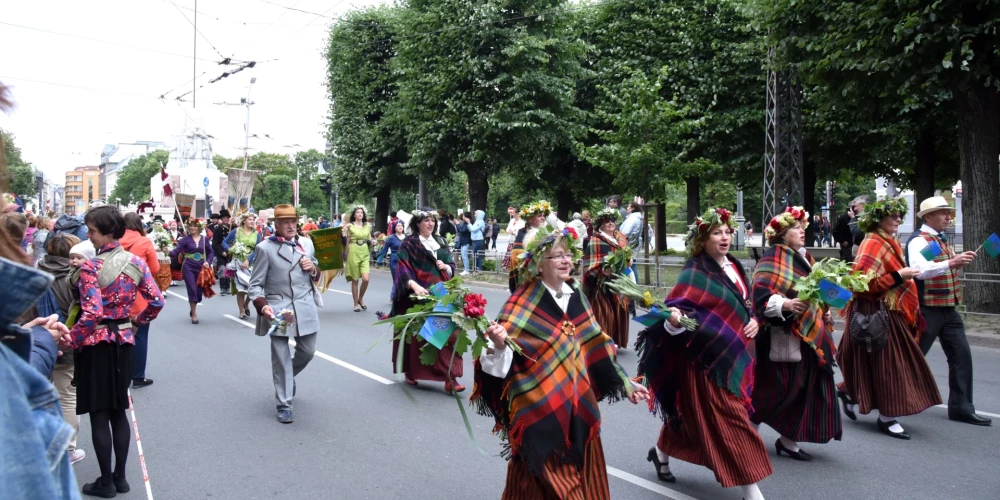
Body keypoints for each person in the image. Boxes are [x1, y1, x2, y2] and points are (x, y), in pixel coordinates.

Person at [472, 224, 649, 499]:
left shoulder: (575, 294)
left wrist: (625, 383)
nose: (566, 260)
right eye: (557, 255)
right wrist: (497, 343)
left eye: (568, 254)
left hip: (578, 408)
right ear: (539, 264)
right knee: (559, 489)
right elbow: (499, 363)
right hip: (540, 413)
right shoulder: (522, 303)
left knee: (537, 489)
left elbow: (596, 343)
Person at [636, 208, 771, 500]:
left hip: (733, 354)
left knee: (692, 417)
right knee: (732, 421)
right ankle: (752, 491)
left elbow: (745, 303)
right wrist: (673, 321)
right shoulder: (694, 270)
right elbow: (676, 312)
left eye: (727, 232)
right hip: (704, 360)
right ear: (702, 239)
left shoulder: (734, 264)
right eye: (716, 233)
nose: (724, 237)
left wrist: (754, 319)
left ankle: (659, 452)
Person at [66, 205, 163, 497]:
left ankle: (105, 482)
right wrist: (135, 322)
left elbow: (91, 313)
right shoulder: (136, 262)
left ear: (107, 231)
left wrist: (70, 340)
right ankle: (120, 478)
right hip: (123, 343)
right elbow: (156, 301)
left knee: (99, 413)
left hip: (96, 347)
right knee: (119, 411)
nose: (88, 235)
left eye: (92, 230)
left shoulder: (90, 267)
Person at [836, 198, 942, 440]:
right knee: (890, 366)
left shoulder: (891, 240)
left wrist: (951, 262)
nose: (897, 220)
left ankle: (848, 390)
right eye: (892, 216)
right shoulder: (873, 242)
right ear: (878, 219)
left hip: (890, 310)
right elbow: (861, 285)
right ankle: (887, 417)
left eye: (899, 216)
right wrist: (898, 275)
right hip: (875, 312)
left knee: (885, 364)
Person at [751, 207, 841, 462]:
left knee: (806, 389)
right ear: (781, 234)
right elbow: (760, 296)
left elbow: (820, 291)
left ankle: (788, 440)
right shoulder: (771, 259)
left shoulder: (805, 256)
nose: (802, 231)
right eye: (796, 228)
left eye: (803, 227)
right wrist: (786, 305)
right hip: (783, 335)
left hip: (810, 337)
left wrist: (825, 311)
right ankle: (748, 433)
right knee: (775, 390)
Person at [905, 196, 990, 426]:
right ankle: (880, 397)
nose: (948, 217)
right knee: (911, 358)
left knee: (961, 356)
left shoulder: (938, 240)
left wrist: (955, 261)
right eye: (943, 212)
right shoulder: (920, 241)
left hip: (948, 309)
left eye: (948, 212)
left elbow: (936, 267)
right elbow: (920, 271)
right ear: (928, 217)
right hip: (926, 309)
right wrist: (951, 263)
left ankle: (961, 408)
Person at [248, 204, 321, 424]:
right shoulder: (264, 248)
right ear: (276, 225)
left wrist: (313, 269)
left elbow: (317, 273)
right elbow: (255, 285)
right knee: (281, 358)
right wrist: (263, 306)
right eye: (285, 222)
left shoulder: (306, 244)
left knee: (308, 352)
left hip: (305, 306)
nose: (290, 225)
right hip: (279, 310)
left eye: (293, 221)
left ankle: (288, 377)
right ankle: (284, 404)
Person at [389, 210, 462, 392]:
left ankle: (450, 378)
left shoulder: (440, 242)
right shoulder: (409, 243)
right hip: (417, 293)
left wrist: (446, 266)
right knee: (417, 336)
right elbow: (403, 268)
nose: (430, 224)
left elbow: (451, 266)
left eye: (432, 221)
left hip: (440, 291)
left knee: (447, 333)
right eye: (426, 220)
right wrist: (414, 286)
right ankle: (411, 371)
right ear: (417, 223)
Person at [38, 233, 88, 465]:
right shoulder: (77, 278)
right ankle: (67, 450)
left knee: (42, 395)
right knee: (67, 396)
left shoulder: (36, 273)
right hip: (67, 342)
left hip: (38, 342)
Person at [119, 213, 160, 390]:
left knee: (117, 334)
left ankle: (119, 372)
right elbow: (155, 268)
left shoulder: (114, 241)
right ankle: (138, 376)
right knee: (140, 336)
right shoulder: (144, 242)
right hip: (138, 297)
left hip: (116, 296)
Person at [581, 208, 631, 350]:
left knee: (618, 311)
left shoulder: (620, 238)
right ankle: (603, 342)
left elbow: (626, 256)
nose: (610, 223)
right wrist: (602, 270)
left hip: (619, 282)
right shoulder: (596, 241)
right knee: (605, 314)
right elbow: (591, 264)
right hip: (601, 284)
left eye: (612, 220)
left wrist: (628, 260)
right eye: (606, 221)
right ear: (601, 224)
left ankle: (615, 339)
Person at [508, 201, 563, 293]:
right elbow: (517, 258)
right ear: (530, 219)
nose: (543, 218)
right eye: (539, 216)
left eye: (543, 216)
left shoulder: (548, 231)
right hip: (529, 278)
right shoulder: (522, 234)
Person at [169, 218, 214, 324]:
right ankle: (194, 314)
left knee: (199, 292)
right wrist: (167, 252)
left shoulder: (204, 239)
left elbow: (211, 252)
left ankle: (194, 305)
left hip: (201, 266)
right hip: (188, 266)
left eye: (194, 226)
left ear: (199, 227)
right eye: (190, 226)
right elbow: (177, 251)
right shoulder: (185, 239)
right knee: (192, 289)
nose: (192, 228)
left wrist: (208, 261)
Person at [223, 213, 263, 320]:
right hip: (238, 262)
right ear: (244, 221)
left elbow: (258, 248)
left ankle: (246, 304)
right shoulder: (236, 231)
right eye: (250, 219)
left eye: (253, 220)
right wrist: (231, 249)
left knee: (253, 287)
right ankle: (241, 311)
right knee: (241, 288)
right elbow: (225, 242)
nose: (252, 221)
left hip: (251, 263)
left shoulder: (257, 234)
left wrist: (249, 260)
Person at [343, 205, 373, 312]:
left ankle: (360, 298)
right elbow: (347, 240)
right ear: (354, 215)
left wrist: (374, 242)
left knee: (366, 279)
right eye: (358, 212)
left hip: (364, 252)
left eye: (361, 212)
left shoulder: (367, 227)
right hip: (353, 251)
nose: (360, 214)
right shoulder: (350, 226)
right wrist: (345, 254)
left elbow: (369, 240)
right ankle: (355, 303)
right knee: (355, 279)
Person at [833, 195, 868, 261]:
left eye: (855, 206)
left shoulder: (861, 216)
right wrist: (842, 241)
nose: (854, 209)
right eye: (853, 207)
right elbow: (835, 231)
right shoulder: (845, 217)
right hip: (848, 245)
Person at [381, 220, 405, 300]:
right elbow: (384, 249)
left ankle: (400, 296)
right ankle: (393, 296)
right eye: (398, 225)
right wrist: (379, 259)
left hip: (405, 260)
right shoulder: (391, 238)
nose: (400, 227)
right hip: (394, 260)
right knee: (396, 278)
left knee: (405, 278)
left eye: (401, 225)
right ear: (394, 228)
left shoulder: (407, 237)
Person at [211, 209, 232, 296]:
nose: (226, 219)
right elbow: (215, 243)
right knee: (222, 269)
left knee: (229, 269)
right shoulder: (218, 229)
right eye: (224, 218)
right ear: (221, 219)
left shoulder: (233, 227)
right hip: (221, 252)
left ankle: (228, 287)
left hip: (231, 251)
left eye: (227, 218)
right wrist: (221, 251)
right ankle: (223, 287)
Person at [501, 207, 523, 272]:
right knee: (509, 254)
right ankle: (508, 267)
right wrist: (509, 231)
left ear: (517, 213)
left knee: (516, 255)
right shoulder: (512, 220)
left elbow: (521, 230)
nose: (512, 214)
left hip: (517, 240)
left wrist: (513, 232)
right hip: (511, 240)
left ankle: (516, 267)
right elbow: (507, 228)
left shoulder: (522, 221)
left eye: (513, 213)